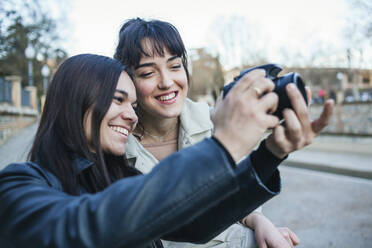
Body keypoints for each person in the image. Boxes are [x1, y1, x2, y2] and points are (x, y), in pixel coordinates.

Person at [0, 53, 300, 248]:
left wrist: (269, 155)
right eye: (117, 100)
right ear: (75, 101)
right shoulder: (17, 184)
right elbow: (84, 226)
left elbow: (194, 224)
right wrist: (223, 147)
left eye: (132, 105)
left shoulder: (116, 177)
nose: (132, 116)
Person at [114, 18, 334, 248]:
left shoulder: (217, 123)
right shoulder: (113, 146)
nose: (167, 82)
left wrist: (257, 220)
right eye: (148, 73)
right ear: (128, 81)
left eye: (175, 66)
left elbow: (230, 198)